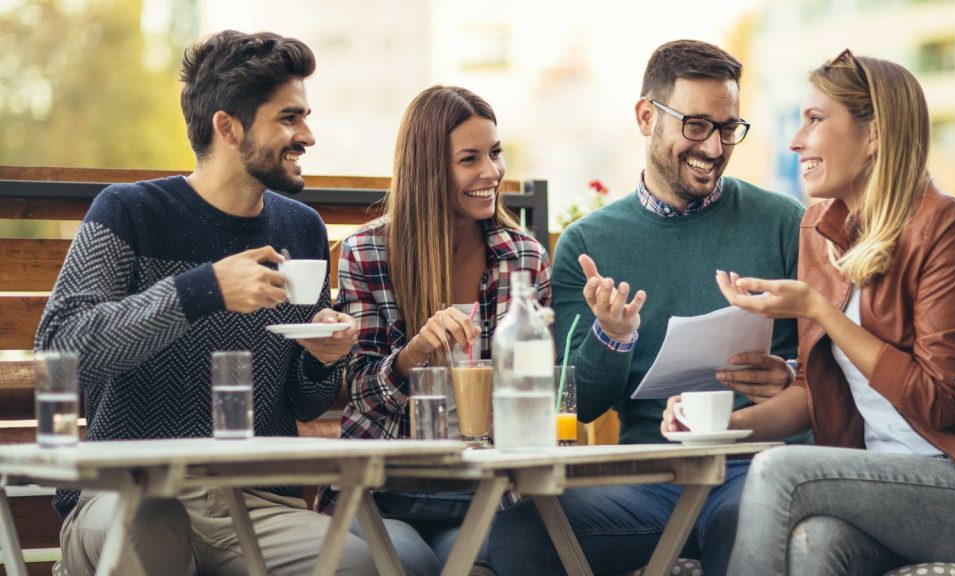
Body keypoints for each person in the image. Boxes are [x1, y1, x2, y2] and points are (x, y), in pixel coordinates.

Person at [34, 30, 406, 576]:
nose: (307, 135)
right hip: (130, 496)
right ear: (227, 127)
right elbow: (58, 349)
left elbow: (305, 403)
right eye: (288, 118)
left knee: (357, 563)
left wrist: (322, 356)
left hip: (256, 506)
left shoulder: (301, 229)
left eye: (305, 116)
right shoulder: (129, 212)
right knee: (151, 531)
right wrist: (202, 290)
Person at [488, 39, 808, 576]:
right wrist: (613, 337)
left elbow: (830, 369)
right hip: (651, 478)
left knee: (747, 522)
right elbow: (579, 405)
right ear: (646, 117)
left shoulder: (783, 223)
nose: (714, 147)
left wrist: (789, 373)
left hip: (757, 467)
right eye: (697, 125)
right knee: (523, 535)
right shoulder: (589, 243)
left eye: (728, 128)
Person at [714, 49, 955, 575]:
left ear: (875, 134)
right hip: (887, 486)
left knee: (778, 473)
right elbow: (820, 394)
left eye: (815, 120)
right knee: (815, 543)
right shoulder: (820, 229)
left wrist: (821, 311)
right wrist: (722, 427)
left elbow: (939, 402)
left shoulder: (945, 228)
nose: (796, 140)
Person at [316, 84, 552, 574]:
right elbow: (359, 388)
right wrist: (415, 352)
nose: (492, 173)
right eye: (470, 159)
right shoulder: (368, 250)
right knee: (411, 564)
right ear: (429, 168)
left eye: (495, 153)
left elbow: (537, 392)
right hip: (381, 489)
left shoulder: (524, 258)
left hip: (483, 493)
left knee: (477, 566)